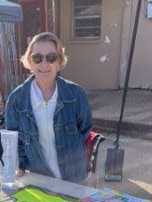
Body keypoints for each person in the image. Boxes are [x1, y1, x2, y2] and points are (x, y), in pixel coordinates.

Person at [5, 32, 92, 183]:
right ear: (30, 62)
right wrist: (20, 166)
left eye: (51, 58)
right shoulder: (16, 99)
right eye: (37, 58)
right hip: (39, 181)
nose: (44, 64)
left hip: (75, 180)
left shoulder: (76, 95)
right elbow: (14, 141)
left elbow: (84, 130)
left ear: (58, 62)